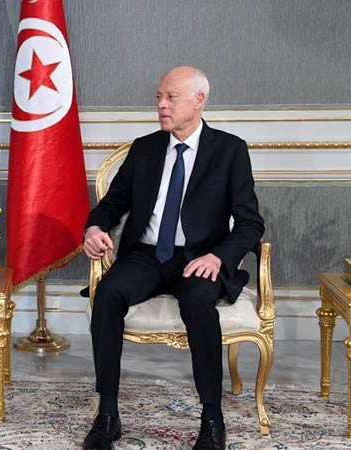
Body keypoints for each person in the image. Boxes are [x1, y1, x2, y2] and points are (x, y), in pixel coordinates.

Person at [81, 66, 264, 450]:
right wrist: (94, 228)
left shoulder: (229, 150)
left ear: (199, 100)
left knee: (198, 300)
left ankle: (212, 419)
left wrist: (219, 257)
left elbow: (250, 223)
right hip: (146, 255)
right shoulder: (145, 148)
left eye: (171, 97)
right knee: (108, 293)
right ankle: (107, 414)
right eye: (159, 97)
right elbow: (112, 204)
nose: (161, 105)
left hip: (199, 257)